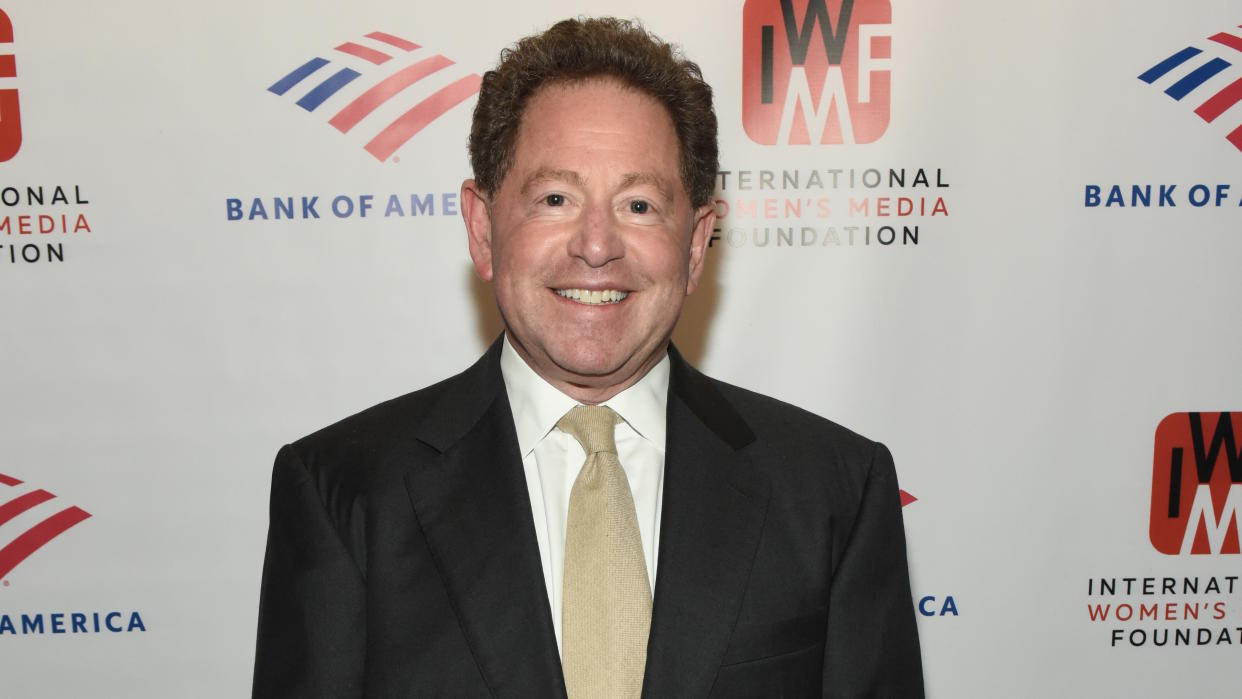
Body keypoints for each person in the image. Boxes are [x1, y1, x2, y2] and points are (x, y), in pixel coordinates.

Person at [253, 17, 923, 698]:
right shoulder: (346, 492)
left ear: (695, 245)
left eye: (638, 204)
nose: (597, 244)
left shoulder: (832, 492)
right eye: (555, 199)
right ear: (483, 228)